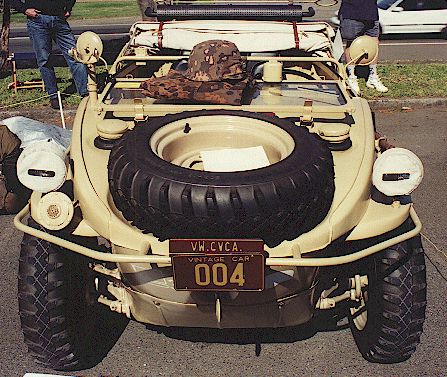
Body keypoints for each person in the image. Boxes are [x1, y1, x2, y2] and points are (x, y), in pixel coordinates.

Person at [10, 0, 88, 109]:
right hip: (37, 21)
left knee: (75, 55)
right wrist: (24, 9)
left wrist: (68, 8)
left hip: (59, 19)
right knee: (44, 59)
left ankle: (85, 93)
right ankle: (53, 96)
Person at [339, 0, 388, 94]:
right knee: (352, 44)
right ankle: (352, 77)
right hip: (351, 13)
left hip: (371, 13)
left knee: (374, 43)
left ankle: (373, 77)